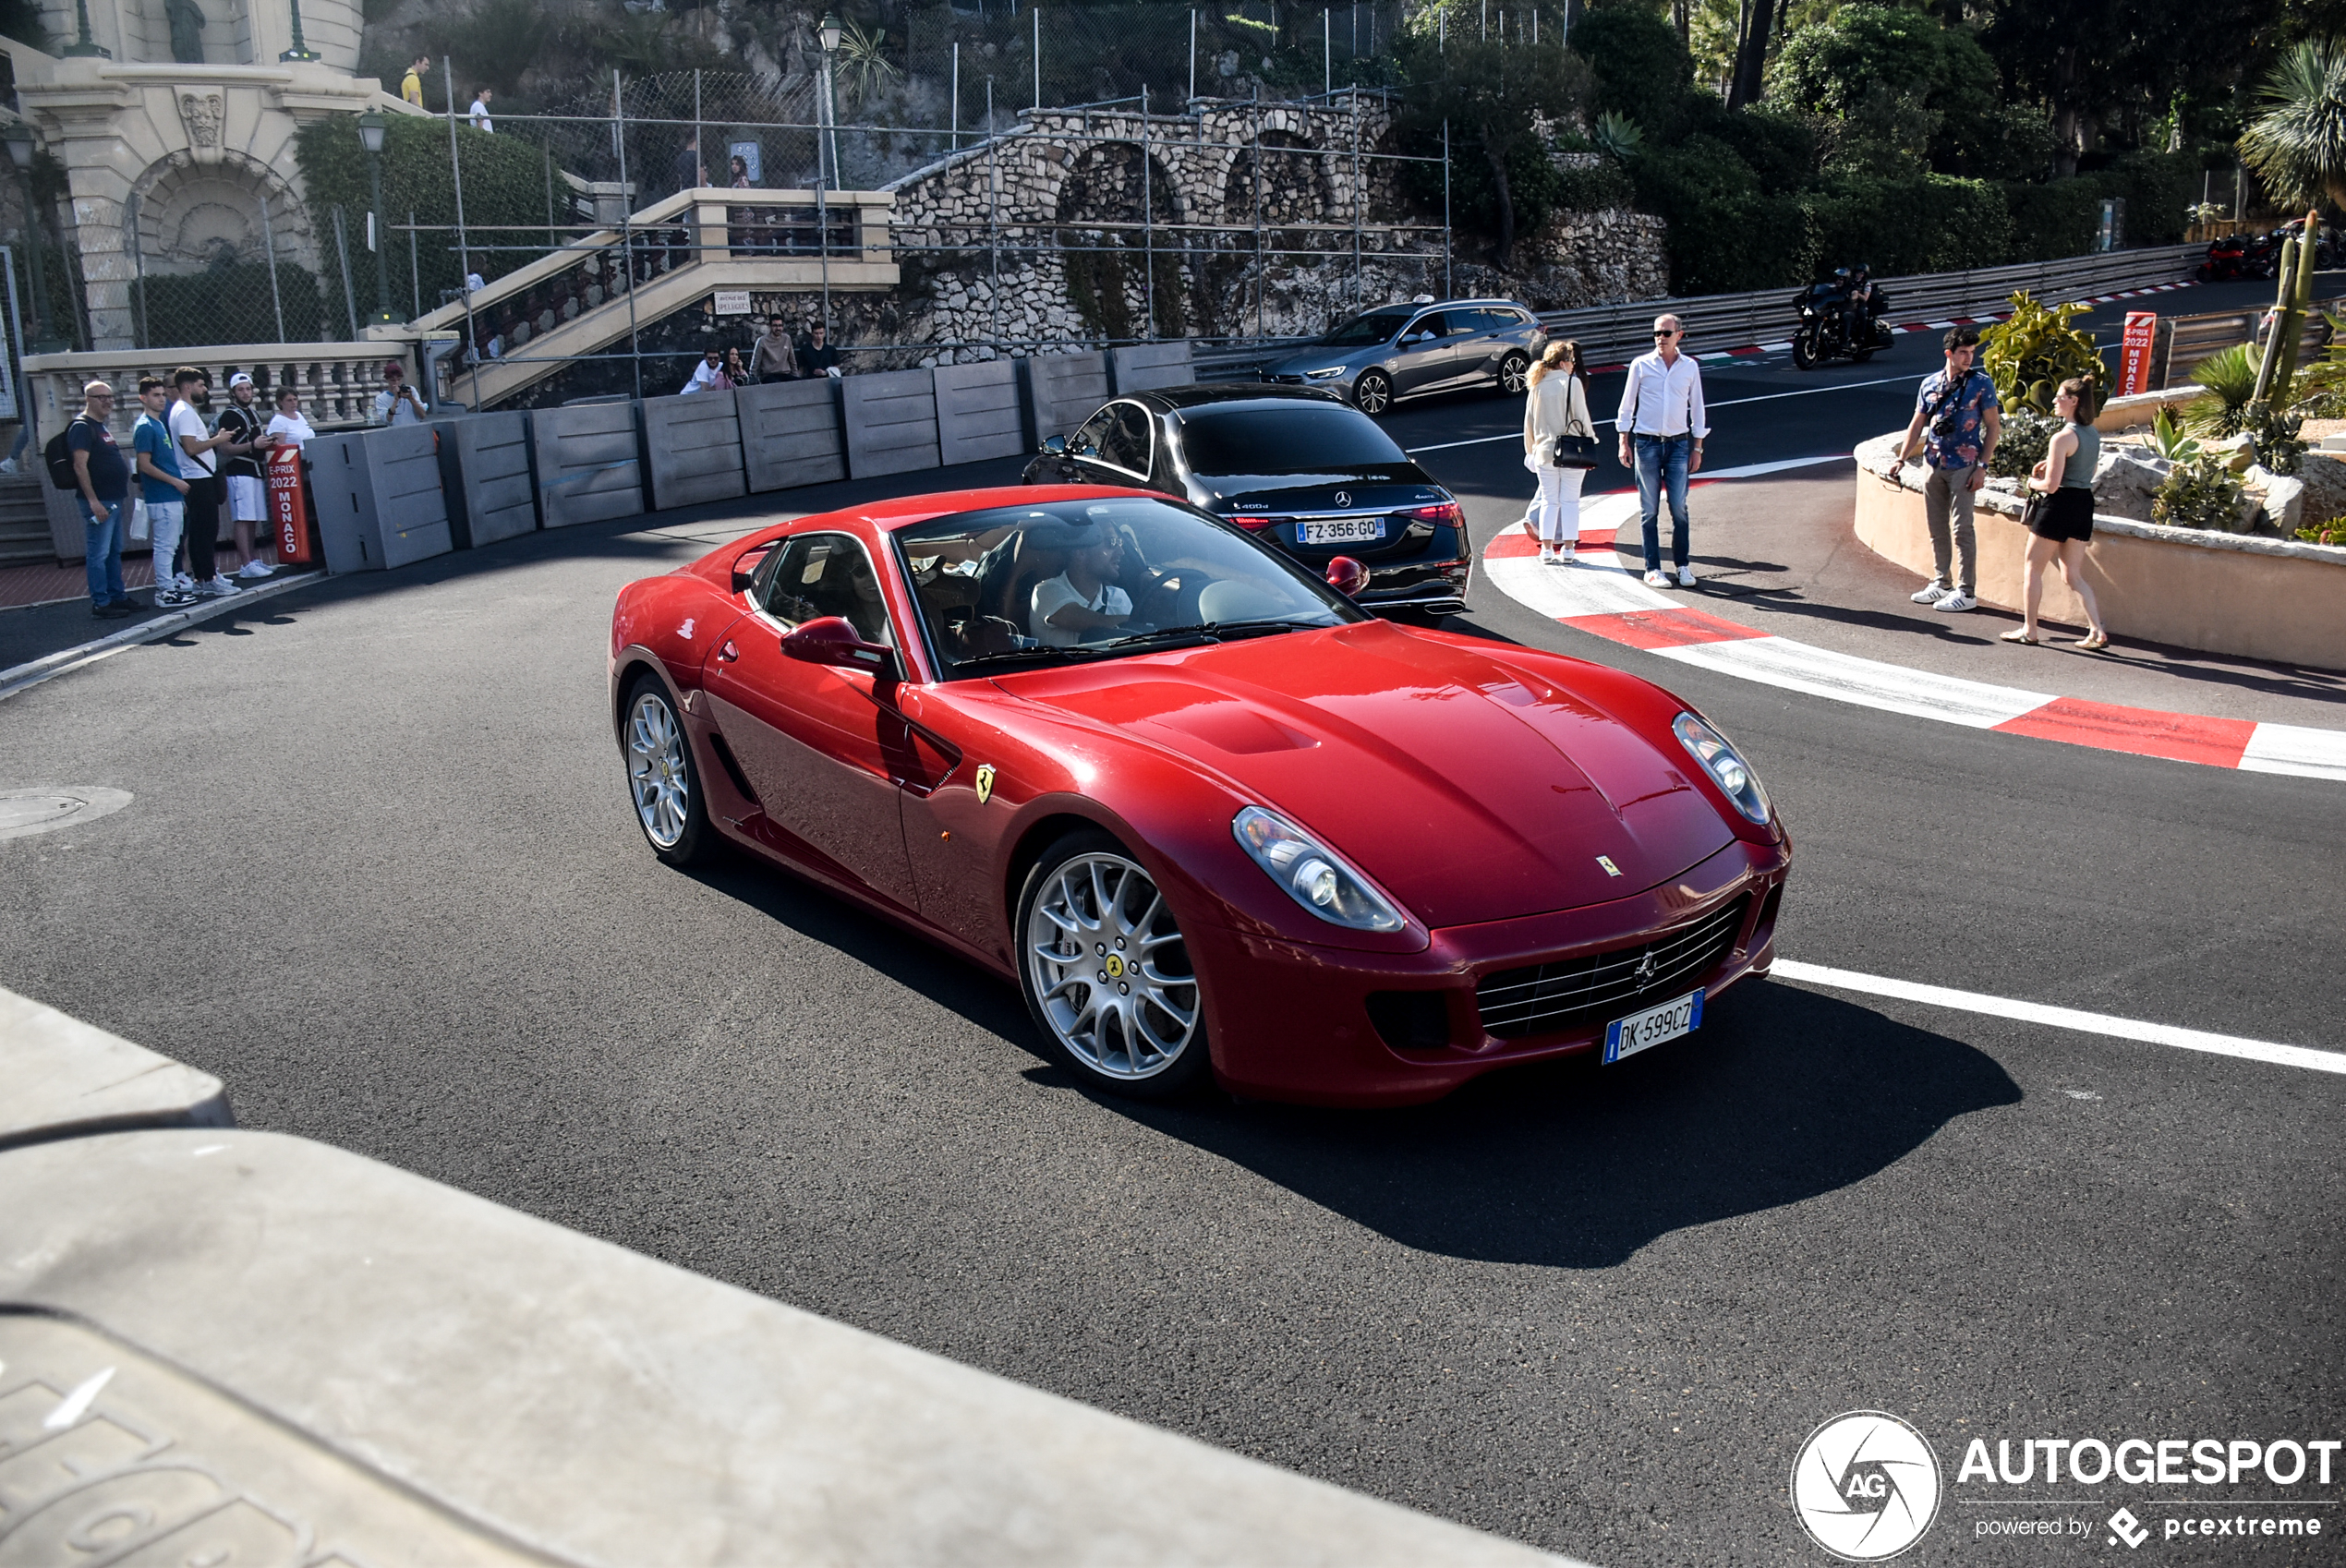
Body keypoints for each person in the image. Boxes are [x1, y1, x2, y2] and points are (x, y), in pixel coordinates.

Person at [1896, 327, 2001, 615]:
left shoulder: (1981, 384)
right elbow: (1917, 423)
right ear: (1949, 354)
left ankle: (1966, 591)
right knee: (1936, 526)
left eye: (1972, 352)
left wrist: (1982, 466)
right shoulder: (1930, 383)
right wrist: (1903, 458)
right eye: (1963, 352)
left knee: (1962, 528)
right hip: (1933, 461)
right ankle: (1942, 581)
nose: (1969, 357)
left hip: (1965, 465)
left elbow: (1993, 426)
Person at [2007, 375, 2110, 651]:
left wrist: (2031, 483)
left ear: (2073, 401)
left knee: (2032, 567)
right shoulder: (2092, 434)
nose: (2055, 400)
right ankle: (2096, 629)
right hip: (2083, 504)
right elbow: (2080, 465)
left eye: (2060, 396)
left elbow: (2051, 486)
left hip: (2059, 505)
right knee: (2073, 575)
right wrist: (2052, 461)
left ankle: (2029, 630)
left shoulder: (2062, 437)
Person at [1615, 313, 1708, 588]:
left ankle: (1683, 565)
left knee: (1679, 507)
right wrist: (1623, 440)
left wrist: (1698, 447)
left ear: (1679, 335)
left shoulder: (1689, 367)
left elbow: (1698, 408)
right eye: (1656, 333)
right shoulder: (1641, 365)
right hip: (1646, 443)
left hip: (1679, 444)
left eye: (1666, 333)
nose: (1660, 338)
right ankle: (1653, 567)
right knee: (1649, 509)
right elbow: (1626, 406)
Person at [67, 380, 136, 619]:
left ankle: (117, 596)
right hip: (100, 501)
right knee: (98, 554)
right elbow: (79, 465)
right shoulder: (82, 427)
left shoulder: (100, 427)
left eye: (110, 397)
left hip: (113, 498)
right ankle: (101, 602)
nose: (107, 401)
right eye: (100, 397)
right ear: (88, 399)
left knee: (114, 551)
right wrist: (94, 501)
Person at [1521, 339, 1593, 565]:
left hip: (1543, 451)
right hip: (1571, 450)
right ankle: (1569, 548)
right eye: (1571, 361)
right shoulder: (1572, 383)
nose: (1573, 365)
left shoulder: (1537, 385)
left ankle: (1547, 549)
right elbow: (1583, 419)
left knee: (1549, 501)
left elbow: (1529, 423)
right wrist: (1591, 442)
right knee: (1570, 501)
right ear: (1562, 363)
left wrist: (1530, 450)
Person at [168, 367, 237, 597]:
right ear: (187, 387)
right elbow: (190, 447)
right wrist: (217, 439)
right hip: (197, 478)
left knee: (201, 531)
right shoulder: (185, 412)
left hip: (198, 476)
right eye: (200, 385)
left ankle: (204, 577)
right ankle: (207, 579)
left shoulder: (182, 410)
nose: (204, 389)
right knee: (205, 531)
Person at [132, 377, 198, 609]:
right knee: (165, 546)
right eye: (155, 395)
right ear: (143, 398)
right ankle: (165, 591)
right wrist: (175, 482)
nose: (161, 399)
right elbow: (144, 464)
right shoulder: (145, 427)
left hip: (171, 496)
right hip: (162, 495)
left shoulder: (159, 423)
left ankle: (170, 586)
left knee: (171, 545)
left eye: (162, 394)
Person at [214, 372, 275, 577]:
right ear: (233, 393)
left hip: (254, 470)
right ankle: (245, 563)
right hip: (239, 471)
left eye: (248, 388)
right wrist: (253, 445)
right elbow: (225, 448)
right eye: (241, 389)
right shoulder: (230, 415)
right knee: (242, 517)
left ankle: (253, 559)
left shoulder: (251, 413)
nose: (245, 392)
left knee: (252, 518)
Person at [1030, 529, 1131, 646]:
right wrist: (1142, 622)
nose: (1121, 552)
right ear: (1081, 552)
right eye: (1112, 542)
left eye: (1120, 543)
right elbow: (1095, 622)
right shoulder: (1046, 591)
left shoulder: (1120, 598)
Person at [372, 360, 429, 427]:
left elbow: (422, 415)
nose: (396, 383)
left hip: (414, 430)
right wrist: (396, 400)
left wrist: (411, 399)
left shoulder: (411, 390)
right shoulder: (381, 398)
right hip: (395, 432)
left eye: (398, 379)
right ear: (386, 380)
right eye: (393, 380)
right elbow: (388, 420)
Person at [750, 315, 800, 382]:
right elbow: (756, 361)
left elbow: (792, 359)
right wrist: (752, 377)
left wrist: (796, 376)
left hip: (785, 374)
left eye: (780, 326)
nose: (778, 328)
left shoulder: (787, 339)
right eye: (775, 326)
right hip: (769, 375)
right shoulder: (762, 341)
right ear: (770, 326)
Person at [267, 385, 317, 450]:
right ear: (280, 402)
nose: (294, 403)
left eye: (295, 399)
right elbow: (280, 449)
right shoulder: (278, 421)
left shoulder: (299, 415)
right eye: (289, 400)